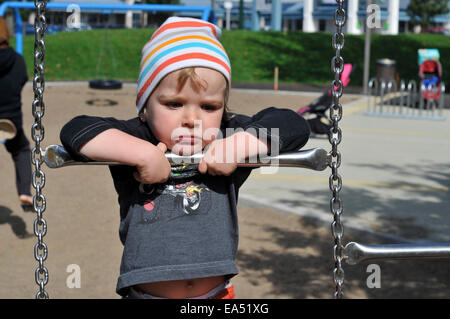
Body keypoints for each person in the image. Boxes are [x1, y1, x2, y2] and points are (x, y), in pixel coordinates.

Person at [60, 17, 310, 299]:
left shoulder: (226, 137)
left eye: (209, 106)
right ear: (145, 107)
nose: (192, 119)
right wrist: (140, 154)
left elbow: (293, 124)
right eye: (174, 104)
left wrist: (240, 145)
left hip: (216, 294)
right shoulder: (138, 136)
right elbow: (76, 130)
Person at [0, 17, 33, 212]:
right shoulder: (17, 60)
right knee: (21, 150)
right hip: (10, 122)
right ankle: (25, 192)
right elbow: (22, 79)